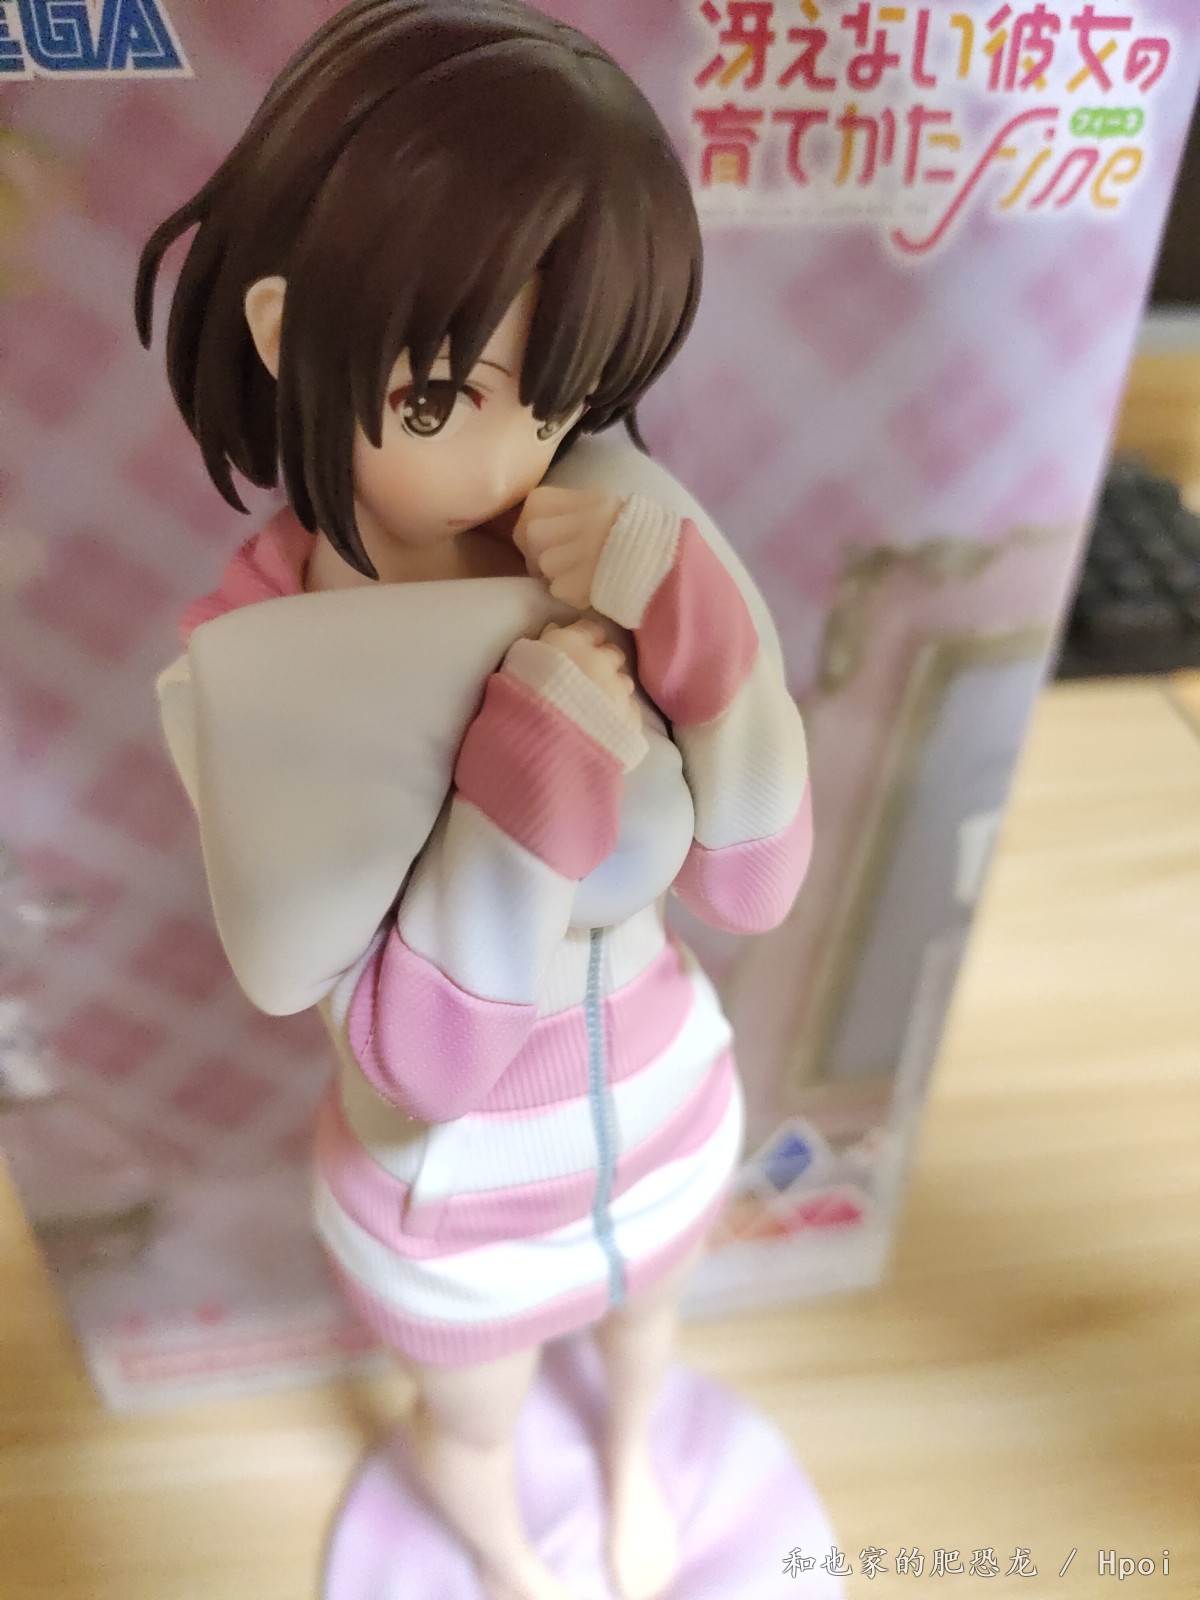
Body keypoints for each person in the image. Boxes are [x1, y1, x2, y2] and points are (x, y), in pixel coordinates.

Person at [139, 4, 812, 1597]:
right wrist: (532, 779)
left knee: (651, 1340)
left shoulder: (611, 523)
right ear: (291, 335)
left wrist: (700, 630)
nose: (515, 461)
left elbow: (755, 879)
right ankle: (511, 1564)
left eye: (561, 395)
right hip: (457, 1192)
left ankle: (637, 1465)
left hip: (665, 1103)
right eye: (448, 398)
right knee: (475, 1424)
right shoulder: (253, 670)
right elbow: (425, 1057)